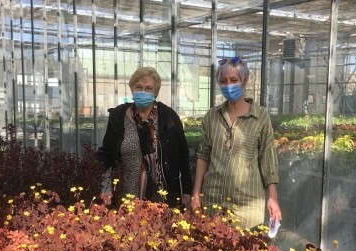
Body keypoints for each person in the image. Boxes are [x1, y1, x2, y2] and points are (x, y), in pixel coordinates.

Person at [190, 57, 282, 229]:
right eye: (223, 81)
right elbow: (203, 156)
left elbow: (268, 158)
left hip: (247, 205)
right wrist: (196, 193)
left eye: (233, 80)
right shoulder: (211, 116)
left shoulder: (260, 117)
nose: (228, 85)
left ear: (244, 80)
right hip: (214, 202)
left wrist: (272, 197)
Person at [96, 67, 192, 209]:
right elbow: (107, 153)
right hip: (127, 198)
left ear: (155, 92)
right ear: (132, 89)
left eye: (148, 88)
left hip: (163, 198)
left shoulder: (169, 117)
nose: (143, 92)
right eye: (138, 87)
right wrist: (105, 188)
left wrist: (187, 190)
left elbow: (183, 155)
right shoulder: (118, 116)